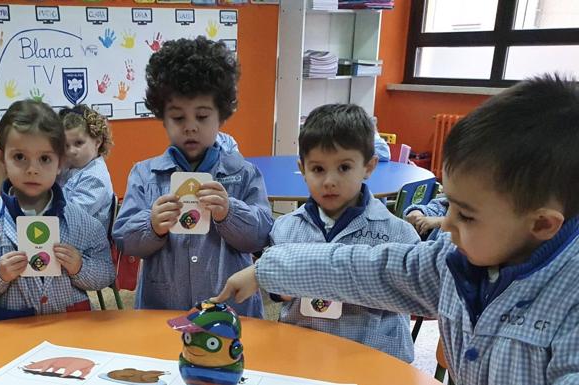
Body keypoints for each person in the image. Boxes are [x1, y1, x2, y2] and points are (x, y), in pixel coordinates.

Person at [212, 74, 579, 384]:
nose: (445, 224)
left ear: (543, 224)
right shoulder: (453, 262)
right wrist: (265, 269)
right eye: (448, 205)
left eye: (466, 215)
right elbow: (368, 268)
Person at [112, 36, 273, 317]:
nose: (190, 128)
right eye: (178, 118)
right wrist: (151, 224)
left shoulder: (243, 173)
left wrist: (229, 213)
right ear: (161, 117)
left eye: (202, 117)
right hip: (161, 311)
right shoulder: (145, 174)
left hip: (230, 313)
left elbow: (261, 237)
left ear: (222, 116)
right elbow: (124, 239)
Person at [269, 103, 420, 362]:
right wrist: (280, 286)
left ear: (369, 167)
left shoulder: (399, 234)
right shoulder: (285, 227)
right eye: (318, 169)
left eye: (344, 168)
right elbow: (276, 290)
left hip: (373, 361)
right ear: (302, 169)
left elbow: (415, 297)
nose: (329, 181)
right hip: (302, 357)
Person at [0, 100, 115, 322]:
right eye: (20, 157)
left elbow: (106, 272)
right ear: (2, 158)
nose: (32, 169)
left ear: (60, 162)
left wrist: (80, 267)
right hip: (12, 332)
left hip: (73, 330)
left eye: (45, 159)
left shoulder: (83, 223)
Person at [59, 104, 114, 231]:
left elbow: (69, 220)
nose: (71, 151)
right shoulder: (70, 168)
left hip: (86, 248)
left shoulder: (95, 177)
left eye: (78, 143)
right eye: (66, 145)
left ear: (97, 142)